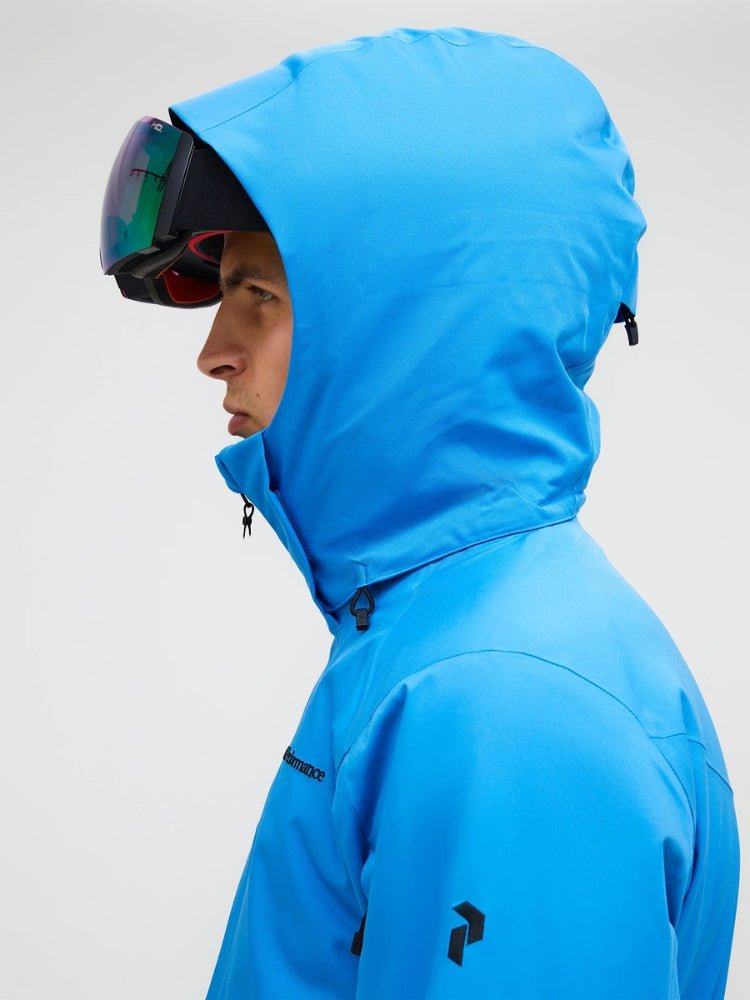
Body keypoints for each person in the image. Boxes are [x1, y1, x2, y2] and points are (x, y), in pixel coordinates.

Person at [100, 26, 740, 999]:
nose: (214, 351)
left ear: (402, 324)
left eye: (257, 295)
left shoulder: (505, 698)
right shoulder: (435, 635)